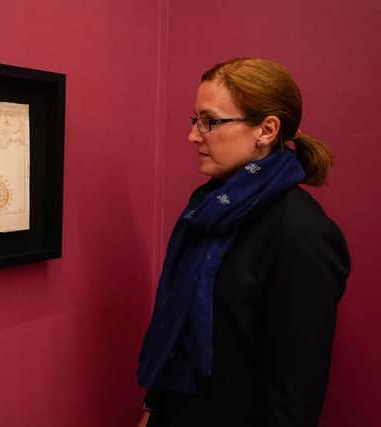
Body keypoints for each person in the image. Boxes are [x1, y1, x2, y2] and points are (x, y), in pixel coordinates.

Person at [136, 58, 350, 427]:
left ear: (266, 130)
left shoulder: (302, 232)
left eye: (210, 121)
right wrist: (153, 409)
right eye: (195, 120)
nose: (193, 135)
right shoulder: (208, 207)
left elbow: (294, 397)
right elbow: (180, 327)